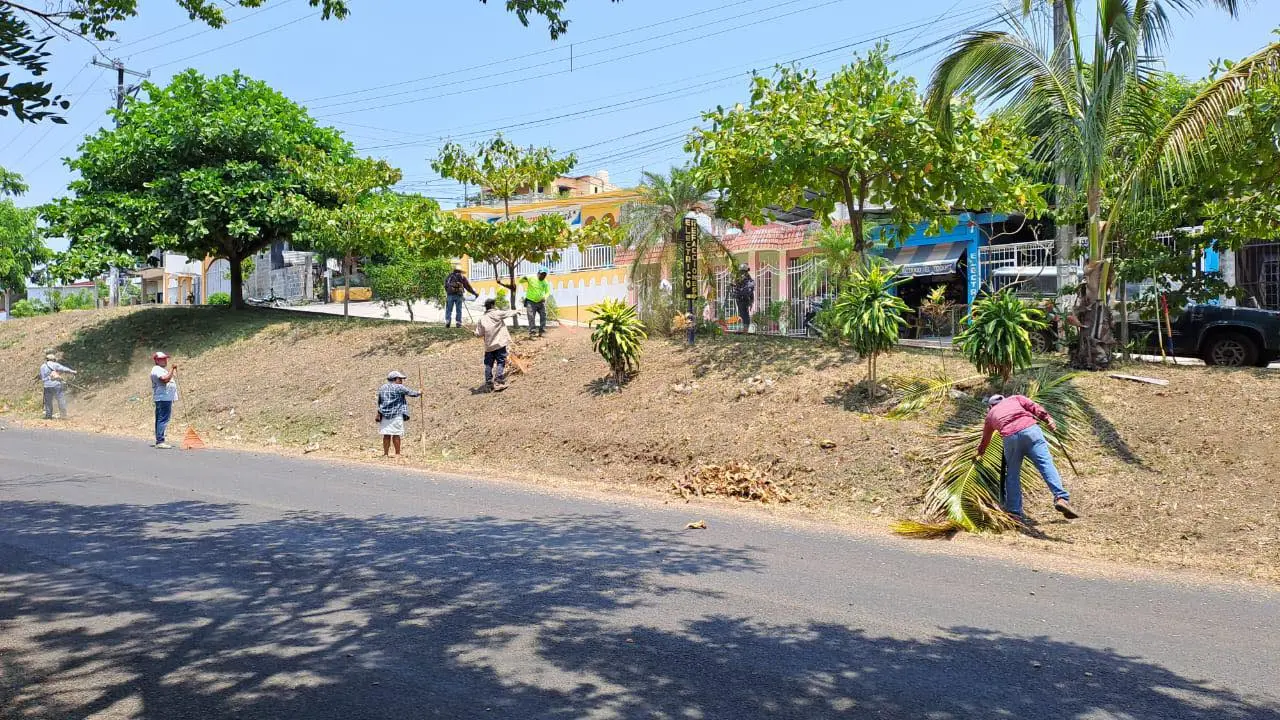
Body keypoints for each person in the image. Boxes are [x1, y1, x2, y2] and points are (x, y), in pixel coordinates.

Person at [976, 394, 1080, 521]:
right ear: (1004, 399)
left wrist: (980, 452)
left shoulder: (991, 414)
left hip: (1010, 438)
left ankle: (1014, 512)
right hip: (1031, 431)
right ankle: (1061, 498)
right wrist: (1048, 420)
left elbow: (985, 438)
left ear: (991, 406)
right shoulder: (1015, 398)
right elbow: (1035, 408)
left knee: (1012, 475)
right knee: (1046, 464)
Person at [474, 298, 520, 391]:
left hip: (489, 347)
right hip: (499, 344)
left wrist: (474, 333)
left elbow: (479, 334)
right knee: (500, 362)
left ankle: (488, 384)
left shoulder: (481, 319)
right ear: (492, 306)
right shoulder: (497, 313)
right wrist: (517, 311)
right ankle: (498, 382)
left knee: (488, 365)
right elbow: (508, 313)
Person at [376, 370, 421, 458]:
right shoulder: (399, 387)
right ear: (395, 379)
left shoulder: (382, 387)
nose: (401, 381)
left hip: (384, 414)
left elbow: (379, 401)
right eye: (400, 379)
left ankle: (385, 453)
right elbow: (411, 393)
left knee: (386, 434)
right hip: (396, 413)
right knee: (396, 434)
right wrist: (419, 392)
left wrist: (380, 412)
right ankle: (397, 453)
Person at [149, 352, 178, 449]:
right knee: (163, 419)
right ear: (156, 360)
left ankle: (159, 439)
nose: (165, 360)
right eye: (162, 359)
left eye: (165, 358)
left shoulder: (161, 369)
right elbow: (165, 379)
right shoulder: (156, 369)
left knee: (161, 418)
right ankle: (160, 441)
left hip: (164, 397)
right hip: (163, 398)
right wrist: (172, 369)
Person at [39, 353, 77, 419]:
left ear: (47, 359)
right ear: (53, 359)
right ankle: (63, 415)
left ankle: (48, 416)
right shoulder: (55, 364)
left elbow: (43, 378)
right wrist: (73, 371)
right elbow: (64, 369)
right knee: (60, 399)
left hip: (47, 386)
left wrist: (49, 378)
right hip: (56, 385)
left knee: (48, 402)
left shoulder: (42, 366)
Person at [519, 266, 551, 338]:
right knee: (531, 317)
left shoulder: (545, 282)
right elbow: (520, 281)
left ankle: (542, 331)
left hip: (540, 302)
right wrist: (524, 278)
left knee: (543, 315)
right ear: (538, 273)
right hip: (530, 301)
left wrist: (544, 297)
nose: (543, 276)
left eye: (545, 275)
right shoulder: (531, 277)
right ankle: (532, 333)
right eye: (542, 274)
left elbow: (548, 292)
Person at [444, 263, 479, 328]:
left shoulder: (449, 276)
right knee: (459, 309)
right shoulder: (462, 277)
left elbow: (445, 286)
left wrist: (448, 292)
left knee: (449, 309)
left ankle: (448, 321)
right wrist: (475, 293)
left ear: (454, 270)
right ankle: (458, 323)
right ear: (460, 271)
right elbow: (468, 287)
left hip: (450, 295)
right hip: (459, 295)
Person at [733, 263, 755, 332]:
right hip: (739, 298)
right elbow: (736, 286)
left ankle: (746, 328)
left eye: (743, 271)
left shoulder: (749, 280)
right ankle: (743, 327)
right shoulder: (739, 278)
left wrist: (751, 300)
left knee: (745, 313)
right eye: (741, 271)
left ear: (746, 271)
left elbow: (750, 289)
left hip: (745, 299)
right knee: (741, 313)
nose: (742, 273)